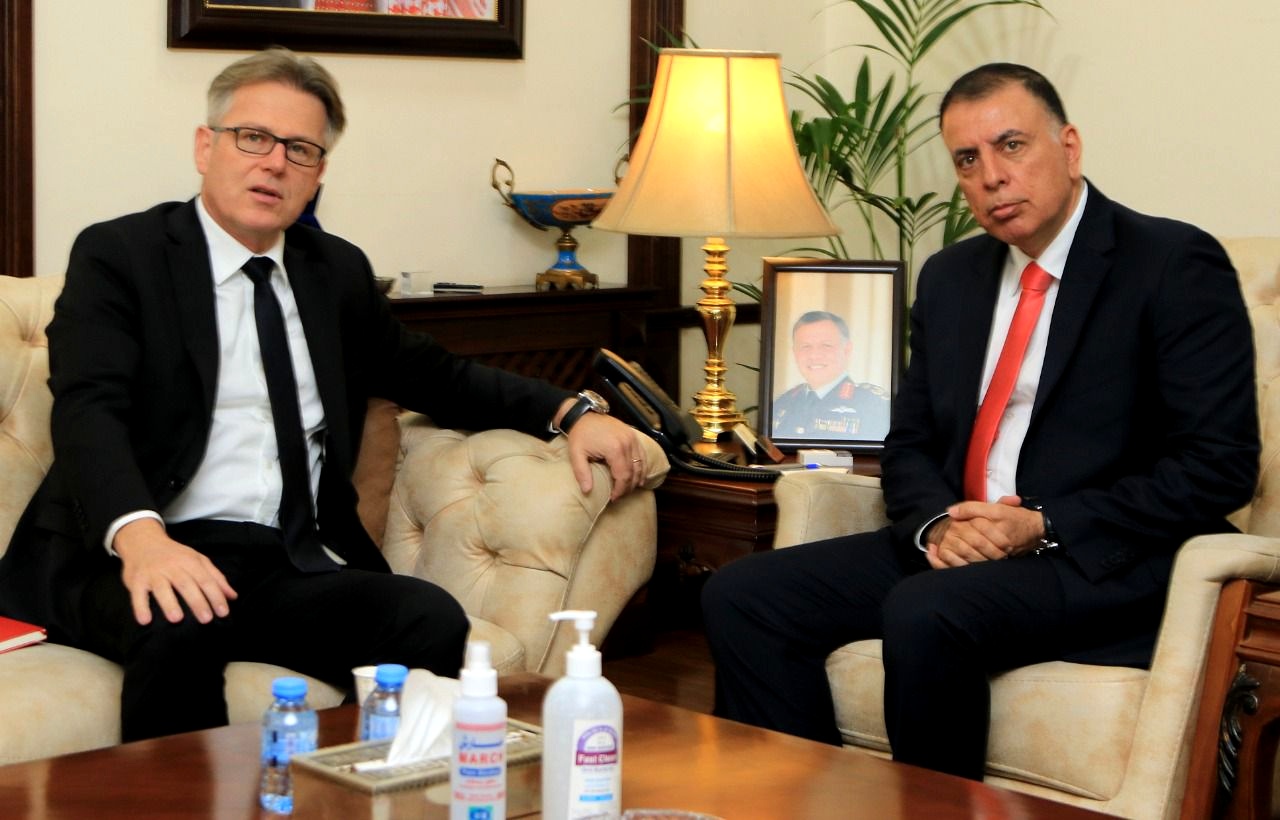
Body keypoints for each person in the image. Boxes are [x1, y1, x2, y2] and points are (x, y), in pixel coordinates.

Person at [0, 48, 648, 742]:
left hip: (280, 560)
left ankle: (376, 789)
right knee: (178, 618)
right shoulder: (121, 256)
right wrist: (142, 539)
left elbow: (436, 375)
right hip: (129, 551)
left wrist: (571, 412)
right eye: (253, 137)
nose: (274, 163)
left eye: (300, 149)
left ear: (318, 173)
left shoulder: (333, 272)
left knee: (425, 618)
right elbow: (89, 410)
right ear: (205, 146)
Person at [701, 63, 1260, 780]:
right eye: (967, 159)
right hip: (959, 544)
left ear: (1069, 147)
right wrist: (939, 526)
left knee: (925, 611)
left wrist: (1043, 522)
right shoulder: (951, 277)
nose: (992, 175)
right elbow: (909, 444)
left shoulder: (1170, 263)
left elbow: (1219, 465)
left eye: (1011, 145)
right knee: (743, 595)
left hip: (1097, 554)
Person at [771, 310, 890, 440]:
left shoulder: (874, 405)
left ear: (846, 350)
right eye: (805, 346)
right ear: (794, 352)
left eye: (826, 346)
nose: (814, 355)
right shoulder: (783, 403)